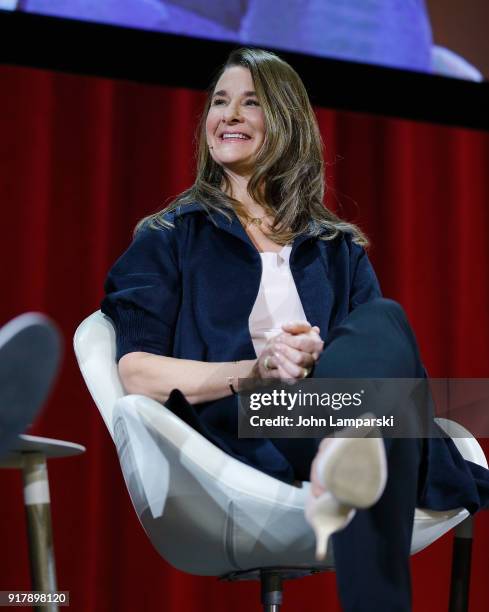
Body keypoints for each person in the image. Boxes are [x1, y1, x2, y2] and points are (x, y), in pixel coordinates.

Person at [101, 47, 489, 612]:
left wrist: (318, 361)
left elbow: (389, 367)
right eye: (219, 102)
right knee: (378, 418)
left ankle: (345, 444)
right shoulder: (169, 237)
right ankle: (349, 450)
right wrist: (255, 371)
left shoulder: (337, 248)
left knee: (385, 323)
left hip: (338, 410)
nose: (228, 115)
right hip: (251, 423)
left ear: (287, 122)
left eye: (251, 102)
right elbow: (136, 370)